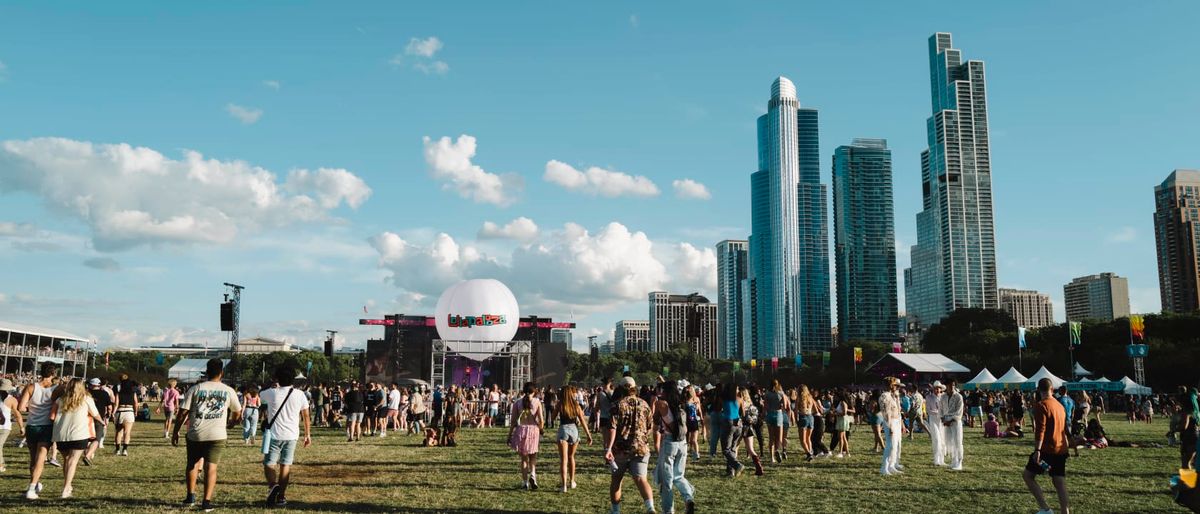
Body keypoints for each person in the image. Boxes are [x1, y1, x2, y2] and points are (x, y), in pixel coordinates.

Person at [172, 358, 243, 512]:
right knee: (211, 467)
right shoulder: (228, 390)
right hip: (217, 433)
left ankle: (190, 496)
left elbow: (183, 412)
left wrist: (176, 431)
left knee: (192, 464)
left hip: (196, 433)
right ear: (221, 373)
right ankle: (206, 502)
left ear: (207, 372)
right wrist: (231, 423)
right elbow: (237, 412)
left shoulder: (195, 389)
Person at [260, 364, 312, 507]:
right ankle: (281, 496)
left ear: (277, 378)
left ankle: (272, 485)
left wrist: (272, 384)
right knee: (285, 465)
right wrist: (307, 434)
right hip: (292, 435)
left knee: (269, 463)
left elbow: (260, 395)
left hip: (275, 435)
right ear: (293, 380)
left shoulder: (271, 392)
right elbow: (306, 416)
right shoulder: (300, 394)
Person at [605, 376, 654, 514]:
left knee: (616, 480)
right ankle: (651, 507)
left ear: (620, 388)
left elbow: (612, 428)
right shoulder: (645, 404)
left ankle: (615, 510)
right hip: (641, 447)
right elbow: (649, 427)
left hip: (621, 449)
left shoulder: (617, 405)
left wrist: (608, 448)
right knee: (641, 479)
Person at [1024, 377, 1071, 514]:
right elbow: (1065, 428)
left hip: (1046, 449)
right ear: (1052, 389)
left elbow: (1041, 430)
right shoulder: (1059, 406)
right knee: (1059, 481)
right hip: (1061, 448)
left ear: (1038, 390)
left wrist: (1037, 450)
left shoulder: (1041, 405)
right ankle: (1065, 511)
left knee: (1028, 476)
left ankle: (1045, 508)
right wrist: (1071, 443)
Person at [50, 377, 100, 499]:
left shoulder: (60, 400)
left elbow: (51, 416)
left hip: (61, 435)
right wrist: (102, 422)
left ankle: (68, 485)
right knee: (72, 461)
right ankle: (66, 488)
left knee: (67, 460)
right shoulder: (86, 399)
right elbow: (95, 414)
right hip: (79, 433)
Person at [18, 362, 58, 499]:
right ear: (53, 373)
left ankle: (34, 484)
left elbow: (21, 408)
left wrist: (33, 408)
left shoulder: (31, 387)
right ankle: (31, 489)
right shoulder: (57, 389)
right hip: (47, 426)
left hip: (32, 425)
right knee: (41, 458)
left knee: (33, 458)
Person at [654, 381, 695, 514]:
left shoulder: (662, 404)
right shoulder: (681, 404)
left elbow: (655, 420)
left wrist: (656, 400)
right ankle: (688, 498)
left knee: (667, 481)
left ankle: (668, 510)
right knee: (679, 476)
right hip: (682, 443)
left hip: (669, 442)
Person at [554, 384, 592, 493]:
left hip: (563, 429)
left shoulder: (560, 404)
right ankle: (572, 481)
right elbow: (583, 421)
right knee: (571, 457)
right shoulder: (576, 405)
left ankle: (564, 485)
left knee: (563, 460)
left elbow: (552, 417)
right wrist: (588, 435)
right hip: (574, 430)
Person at [507, 381, 544, 490]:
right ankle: (533, 475)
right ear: (534, 391)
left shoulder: (517, 403)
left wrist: (509, 435)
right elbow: (541, 420)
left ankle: (524, 482)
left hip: (521, 430)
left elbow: (513, 421)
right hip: (533, 430)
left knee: (524, 459)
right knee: (533, 456)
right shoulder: (537, 402)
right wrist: (541, 429)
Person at [84, 378, 113, 465]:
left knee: (86, 437)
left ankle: (87, 452)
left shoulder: (86, 394)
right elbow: (109, 407)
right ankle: (88, 455)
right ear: (99, 385)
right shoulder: (104, 393)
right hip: (99, 417)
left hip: (87, 418)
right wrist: (109, 415)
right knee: (97, 439)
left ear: (91, 385)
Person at [879, 377, 904, 475]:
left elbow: (897, 410)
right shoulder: (885, 396)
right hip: (890, 421)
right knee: (890, 445)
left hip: (896, 420)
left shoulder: (893, 395)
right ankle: (884, 467)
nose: (896, 387)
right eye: (895, 385)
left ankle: (891, 465)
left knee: (895, 445)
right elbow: (886, 413)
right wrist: (889, 426)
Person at [0, 378, 23, 473]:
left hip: (5, 427)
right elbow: (17, 415)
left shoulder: (12, 400)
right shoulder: (12, 399)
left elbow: (17, 414)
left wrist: (21, 427)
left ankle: (1, 465)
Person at [112, 373, 138, 456]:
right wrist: (136, 411)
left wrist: (113, 412)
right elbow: (136, 403)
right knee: (127, 432)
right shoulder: (133, 390)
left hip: (120, 411)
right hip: (129, 411)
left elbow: (116, 404)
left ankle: (117, 450)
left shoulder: (118, 390)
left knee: (118, 432)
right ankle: (125, 449)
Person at [942, 379, 965, 471]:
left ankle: (959, 462)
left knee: (958, 442)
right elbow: (941, 408)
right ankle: (953, 461)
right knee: (949, 442)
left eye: (953, 385)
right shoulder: (943, 397)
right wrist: (942, 418)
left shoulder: (959, 396)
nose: (952, 387)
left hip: (955, 422)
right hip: (946, 421)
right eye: (950, 385)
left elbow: (959, 411)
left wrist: (950, 420)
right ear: (946, 386)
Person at [763, 380, 786, 463]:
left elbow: (765, 406)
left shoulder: (767, 394)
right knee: (778, 438)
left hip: (769, 414)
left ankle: (772, 458)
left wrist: (763, 415)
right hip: (778, 414)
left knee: (771, 437)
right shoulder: (781, 393)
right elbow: (784, 405)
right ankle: (777, 450)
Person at [926, 381, 946, 466]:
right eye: (936, 388)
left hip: (941, 420)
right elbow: (928, 410)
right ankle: (936, 459)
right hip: (933, 419)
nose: (937, 390)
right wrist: (938, 412)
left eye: (939, 388)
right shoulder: (929, 397)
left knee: (942, 440)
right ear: (933, 389)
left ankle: (942, 460)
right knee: (936, 439)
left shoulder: (943, 397)